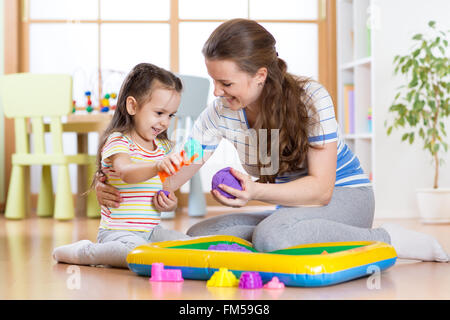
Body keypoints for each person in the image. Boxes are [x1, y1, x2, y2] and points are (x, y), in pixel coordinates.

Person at [95, 19, 448, 262]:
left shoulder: (311, 99)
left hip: (345, 197)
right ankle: (291, 235)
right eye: (213, 80)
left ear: (260, 75)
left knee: (272, 239)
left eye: (227, 83)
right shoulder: (220, 112)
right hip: (289, 209)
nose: (216, 92)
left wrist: (254, 191)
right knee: (201, 233)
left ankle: (388, 240)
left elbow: (320, 191)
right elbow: (175, 170)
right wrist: (111, 180)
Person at [52, 63, 189, 268]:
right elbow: (125, 172)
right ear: (132, 106)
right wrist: (157, 165)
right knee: (137, 254)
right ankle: (85, 252)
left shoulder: (161, 147)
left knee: (188, 246)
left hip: (152, 231)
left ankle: (147, 251)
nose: (165, 122)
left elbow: (165, 189)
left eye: (170, 115)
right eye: (159, 113)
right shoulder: (118, 141)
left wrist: (171, 202)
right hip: (117, 233)